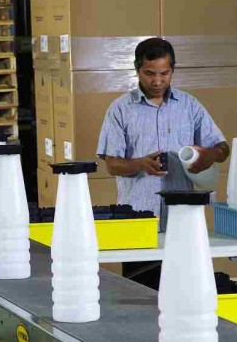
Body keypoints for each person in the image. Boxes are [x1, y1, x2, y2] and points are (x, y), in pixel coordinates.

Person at [97, 37, 229, 288]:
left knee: (185, 288)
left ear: (172, 70)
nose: (157, 81)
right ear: (137, 69)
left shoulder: (189, 106)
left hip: (184, 217)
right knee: (140, 291)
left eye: (164, 73)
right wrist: (140, 164)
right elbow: (112, 164)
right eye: (150, 73)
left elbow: (223, 148)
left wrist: (208, 155)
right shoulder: (120, 109)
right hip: (138, 220)